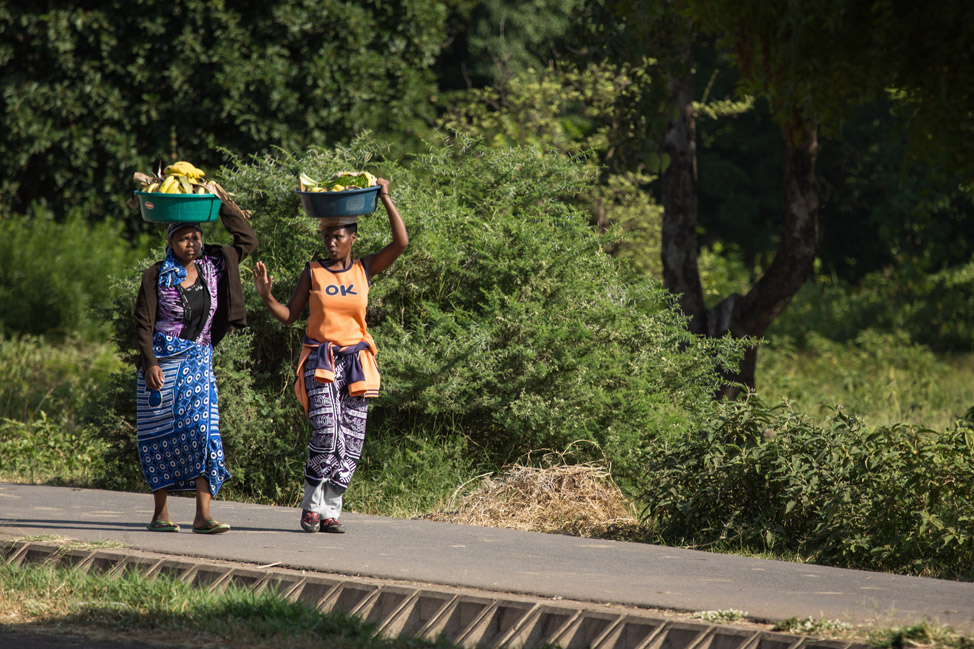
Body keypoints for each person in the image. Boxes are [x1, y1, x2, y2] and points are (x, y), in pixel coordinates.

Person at [252, 177, 407, 533]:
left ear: (353, 237)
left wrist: (384, 197)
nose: (331, 242)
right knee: (327, 433)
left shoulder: (363, 269)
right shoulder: (314, 271)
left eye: (338, 236)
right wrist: (266, 297)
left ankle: (331, 511)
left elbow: (401, 242)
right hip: (321, 361)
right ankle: (311, 506)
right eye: (326, 236)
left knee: (352, 441)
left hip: (357, 362)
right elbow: (290, 315)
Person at [134, 183, 257, 534]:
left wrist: (221, 203)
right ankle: (161, 513)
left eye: (196, 237)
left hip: (199, 361)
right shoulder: (156, 276)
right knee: (157, 436)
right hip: (161, 365)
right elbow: (143, 323)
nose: (193, 243)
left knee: (204, 432)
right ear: (171, 242)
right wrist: (150, 363)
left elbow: (247, 241)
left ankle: (203, 515)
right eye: (185, 238)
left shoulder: (214, 266)